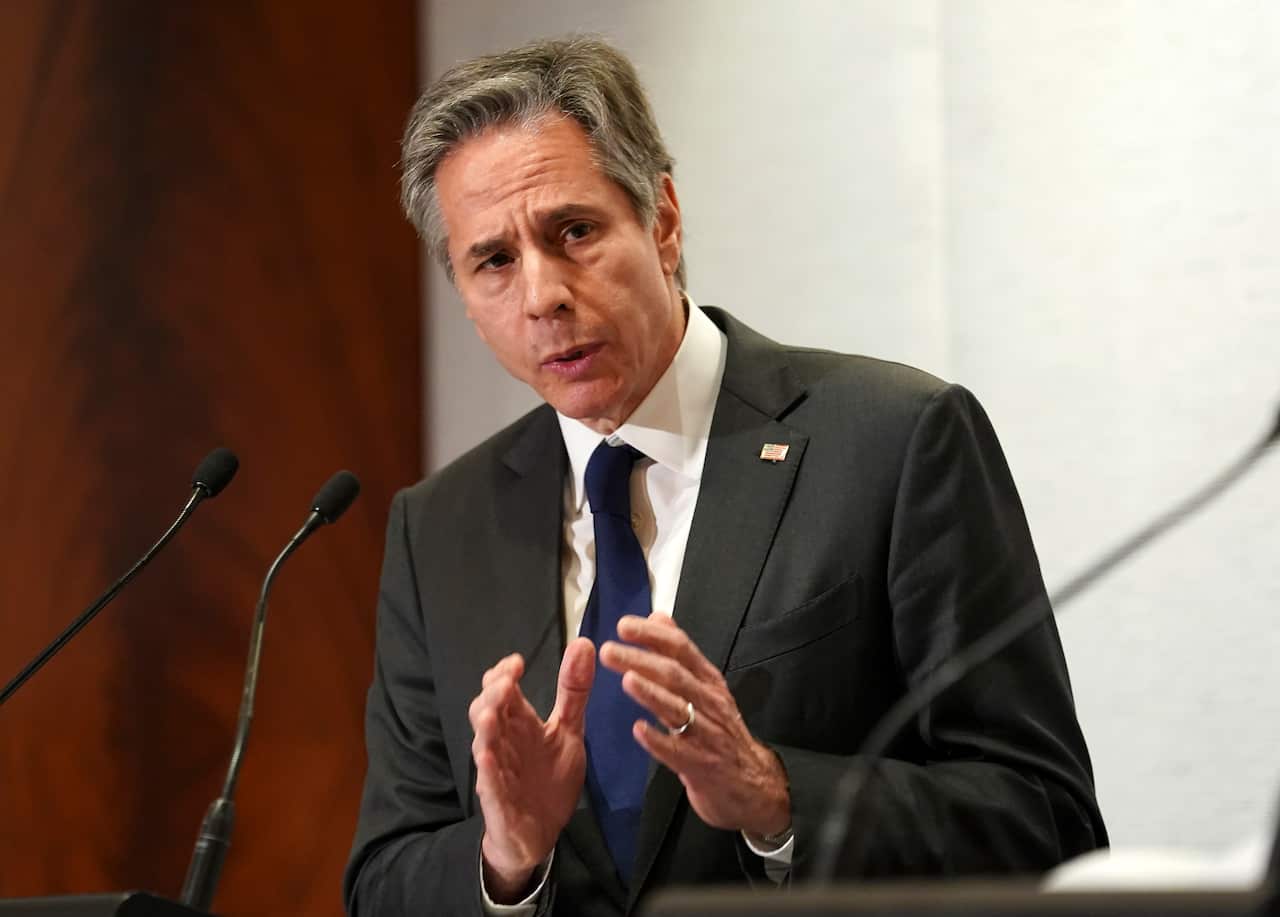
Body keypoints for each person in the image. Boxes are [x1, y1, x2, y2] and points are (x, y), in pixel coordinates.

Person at [343, 35, 1106, 917]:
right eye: (495, 261)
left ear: (663, 221)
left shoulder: (895, 442)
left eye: (574, 231)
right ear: (467, 299)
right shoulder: (439, 528)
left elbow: (1046, 822)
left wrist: (775, 794)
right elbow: (384, 878)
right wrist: (504, 859)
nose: (543, 294)